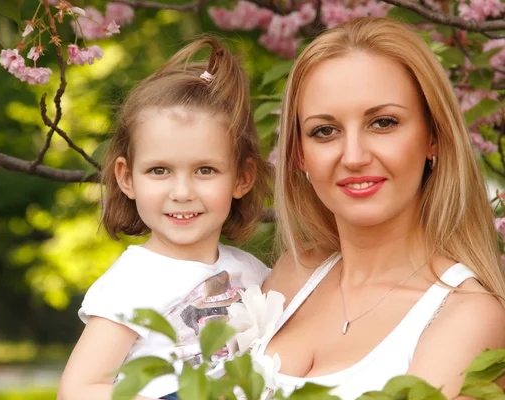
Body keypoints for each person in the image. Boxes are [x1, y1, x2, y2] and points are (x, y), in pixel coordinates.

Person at [258, 16, 505, 400]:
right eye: (325, 131)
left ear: (433, 137)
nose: (354, 157)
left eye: (383, 122)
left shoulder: (468, 316)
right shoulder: (293, 276)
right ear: (300, 156)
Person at [56, 36, 272, 400]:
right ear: (127, 178)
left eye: (205, 170)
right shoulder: (130, 282)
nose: (182, 191)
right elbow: (79, 389)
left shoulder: (254, 273)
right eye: (159, 171)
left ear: (242, 178)